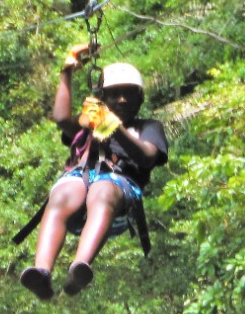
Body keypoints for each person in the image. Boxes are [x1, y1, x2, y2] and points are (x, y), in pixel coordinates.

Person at [18, 46, 169, 300]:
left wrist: (112, 126)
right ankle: (42, 272)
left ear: (140, 99)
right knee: (65, 190)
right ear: (103, 97)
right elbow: (61, 118)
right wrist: (66, 71)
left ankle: (81, 266)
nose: (122, 100)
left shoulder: (148, 127)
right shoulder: (90, 124)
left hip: (117, 197)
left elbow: (146, 156)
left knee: (103, 189)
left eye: (129, 94)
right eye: (114, 95)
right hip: (80, 185)